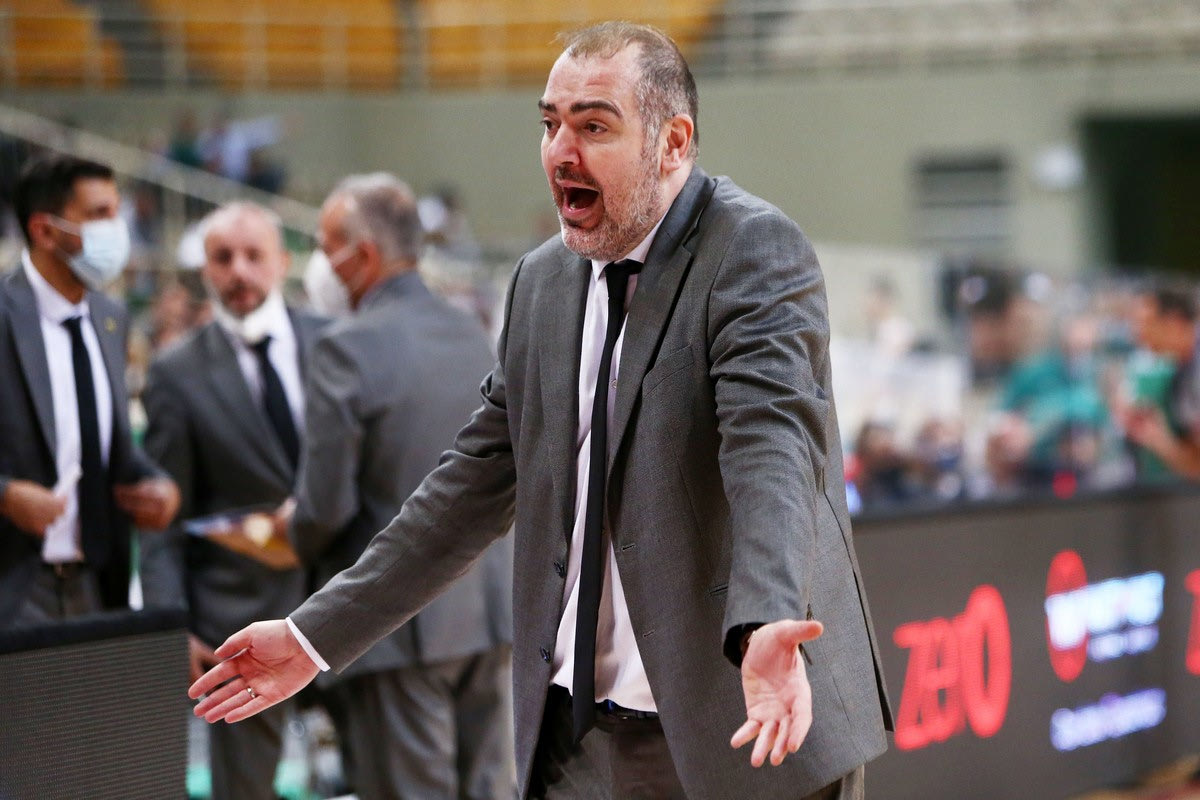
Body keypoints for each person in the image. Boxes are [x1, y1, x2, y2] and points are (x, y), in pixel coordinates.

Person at [192, 22, 892, 800]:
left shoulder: (752, 249)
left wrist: (764, 620)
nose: (561, 151)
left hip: (746, 719)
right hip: (577, 736)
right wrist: (312, 636)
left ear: (673, 143)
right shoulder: (541, 283)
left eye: (593, 126)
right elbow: (467, 488)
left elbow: (771, 445)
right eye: (550, 123)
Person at [285, 172, 515, 799]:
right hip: (487, 616)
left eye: (323, 247)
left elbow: (324, 509)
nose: (318, 265)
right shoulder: (473, 330)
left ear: (361, 256)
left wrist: (287, 532)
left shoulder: (344, 348)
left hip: (391, 626)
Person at [138, 202, 327, 800]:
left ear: (283, 262)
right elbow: (162, 518)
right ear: (205, 270)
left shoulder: (335, 343)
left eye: (253, 255)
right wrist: (172, 623)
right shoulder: (174, 372)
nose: (239, 270)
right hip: (237, 621)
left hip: (349, 601)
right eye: (223, 258)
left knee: (387, 780)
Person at [0, 153, 179, 627]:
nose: (116, 229)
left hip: (97, 582)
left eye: (116, 212)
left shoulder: (110, 317)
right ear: (44, 231)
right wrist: (5, 495)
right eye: (99, 214)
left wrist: (157, 484)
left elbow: (104, 441)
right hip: (15, 584)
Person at [1121, 283, 1200, 478]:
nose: (1138, 334)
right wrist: (1157, 437)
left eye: (1146, 322)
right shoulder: (1181, 377)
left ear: (1174, 322)